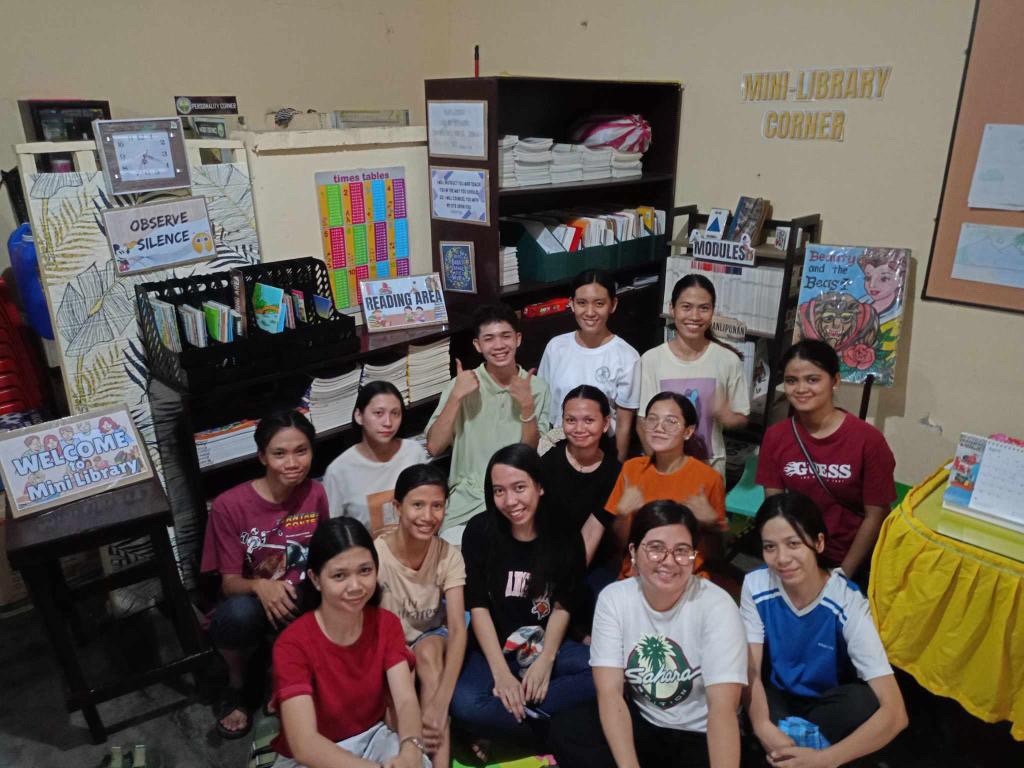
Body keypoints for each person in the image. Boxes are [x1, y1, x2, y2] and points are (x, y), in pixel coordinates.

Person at [554, 500, 747, 768]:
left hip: (701, 734)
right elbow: (610, 693)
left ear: (694, 556)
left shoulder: (717, 605)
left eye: (682, 551)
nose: (669, 561)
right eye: (656, 548)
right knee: (568, 728)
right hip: (645, 723)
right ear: (633, 552)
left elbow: (722, 710)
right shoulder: (615, 599)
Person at [740, 493, 908, 766]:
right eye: (770, 547)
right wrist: (761, 725)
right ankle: (792, 749)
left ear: (818, 543)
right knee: (742, 690)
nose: (782, 558)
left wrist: (825, 760)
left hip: (826, 703)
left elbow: (896, 713)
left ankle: (798, 752)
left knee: (864, 702)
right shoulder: (756, 585)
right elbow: (752, 672)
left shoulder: (848, 602)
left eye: (793, 544)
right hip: (777, 697)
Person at [450, 444, 595, 754]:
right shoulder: (479, 531)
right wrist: (502, 674)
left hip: (548, 644)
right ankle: (550, 724)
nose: (510, 501)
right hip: (494, 649)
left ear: (539, 487)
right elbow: (478, 606)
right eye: (499, 491)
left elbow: (563, 604)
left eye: (519, 488)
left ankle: (501, 725)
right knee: (465, 702)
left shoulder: (564, 532)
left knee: (602, 673)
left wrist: (546, 660)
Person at [200, 409, 329, 739]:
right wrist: (261, 586)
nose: (292, 463)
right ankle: (237, 684)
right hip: (252, 602)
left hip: (302, 597)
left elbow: (323, 554)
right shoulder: (229, 506)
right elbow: (229, 583)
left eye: (301, 451)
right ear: (261, 456)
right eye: (279, 453)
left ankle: (282, 673)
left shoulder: (315, 493)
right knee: (237, 614)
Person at [272, 517, 430, 768]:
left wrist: (411, 747)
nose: (355, 586)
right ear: (315, 579)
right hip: (314, 755)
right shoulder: (292, 644)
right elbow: (304, 744)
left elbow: (406, 701)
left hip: (372, 738)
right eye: (339, 575)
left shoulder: (386, 624)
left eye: (365, 570)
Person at [756, 339, 896, 583]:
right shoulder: (776, 436)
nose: (801, 389)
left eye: (813, 379)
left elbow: (876, 515)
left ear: (835, 381)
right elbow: (775, 507)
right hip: (798, 556)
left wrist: (843, 575)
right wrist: (787, 558)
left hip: (853, 560)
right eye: (791, 381)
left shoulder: (868, 440)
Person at [426, 303, 550, 545]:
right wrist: (456, 396)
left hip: (516, 502)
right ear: (478, 345)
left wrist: (527, 406)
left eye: (506, 336)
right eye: (489, 339)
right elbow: (434, 446)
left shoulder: (536, 388)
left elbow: (530, 455)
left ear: (518, 339)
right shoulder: (462, 384)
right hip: (466, 502)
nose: (499, 345)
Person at [376, 464, 468, 768]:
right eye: (417, 505)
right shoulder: (376, 556)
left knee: (428, 656)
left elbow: (457, 628)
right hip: (392, 644)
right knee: (398, 690)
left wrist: (440, 703)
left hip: (431, 635)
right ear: (397, 507)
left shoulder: (448, 555)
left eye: (437, 506)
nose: (428, 516)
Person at [638, 274, 749, 477]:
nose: (695, 316)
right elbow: (643, 422)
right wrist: (661, 468)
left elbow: (741, 416)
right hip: (664, 471)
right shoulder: (652, 359)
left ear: (713, 311)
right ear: (672, 309)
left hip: (710, 470)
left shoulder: (727, 360)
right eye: (686, 307)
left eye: (704, 308)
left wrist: (728, 417)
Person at [605, 392, 726, 579]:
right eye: (652, 419)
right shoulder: (631, 469)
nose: (659, 427)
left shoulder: (708, 479)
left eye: (671, 421)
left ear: (688, 431)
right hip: (638, 577)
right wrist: (622, 516)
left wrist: (712, 524)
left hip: (686, 579)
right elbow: (620, 547)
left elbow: (717, 557)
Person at [537, 270, 640, 461]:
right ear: (572, 304)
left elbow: (624, 425)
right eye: (582, 303)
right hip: (556, 445)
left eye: (599, 303)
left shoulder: (627, 356)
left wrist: (616, 469)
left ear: (613, 305)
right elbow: (543, 405)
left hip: (602, 450)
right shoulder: (556, 347)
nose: (590, 312)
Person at [324, 381, 428, 535]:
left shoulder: (413, 452)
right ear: (359, 416)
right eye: (379, 413)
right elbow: (334, 532)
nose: (388, 422)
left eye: (395, 413)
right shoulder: (338, 471)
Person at [539, 386, 621, 571]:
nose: (579, 428)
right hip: (546, 558)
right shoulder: (547, 463)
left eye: (589, 420)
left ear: (605, 424)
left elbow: (592, 534)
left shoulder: (614, 473)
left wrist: (569, 579)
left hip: (594, 565)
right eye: (571, 420)